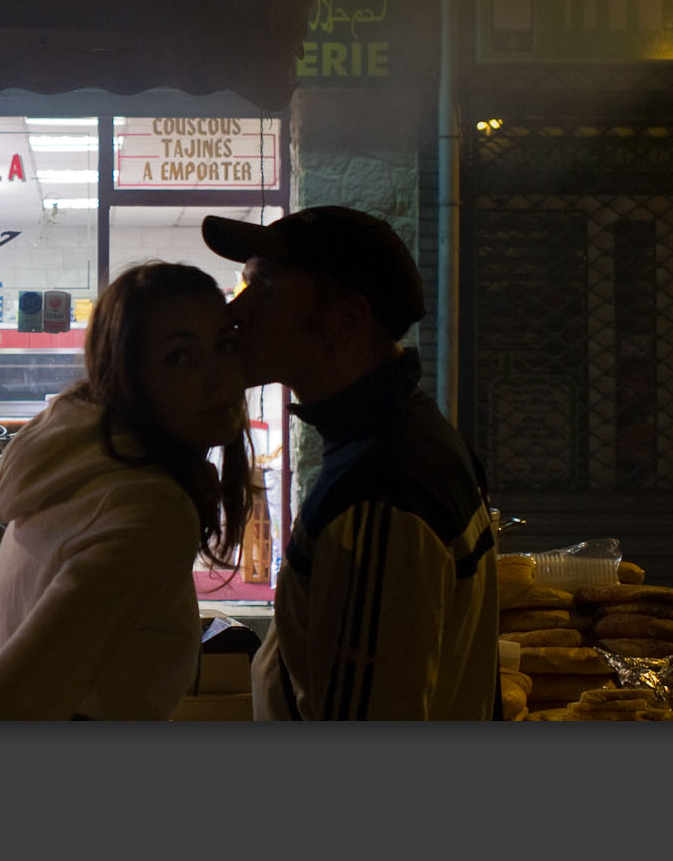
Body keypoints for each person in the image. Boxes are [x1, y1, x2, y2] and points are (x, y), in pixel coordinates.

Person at [0, 262, 257, 720]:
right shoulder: (151, 509)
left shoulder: (68, 476)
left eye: (226, 346)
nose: (218, 377)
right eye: (179, 356)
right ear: (130, 374)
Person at [203, 205, 499, 720]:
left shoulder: (379, 492)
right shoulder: (408, 435)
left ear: (348, 319)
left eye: (264, 290)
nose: (236, 312)